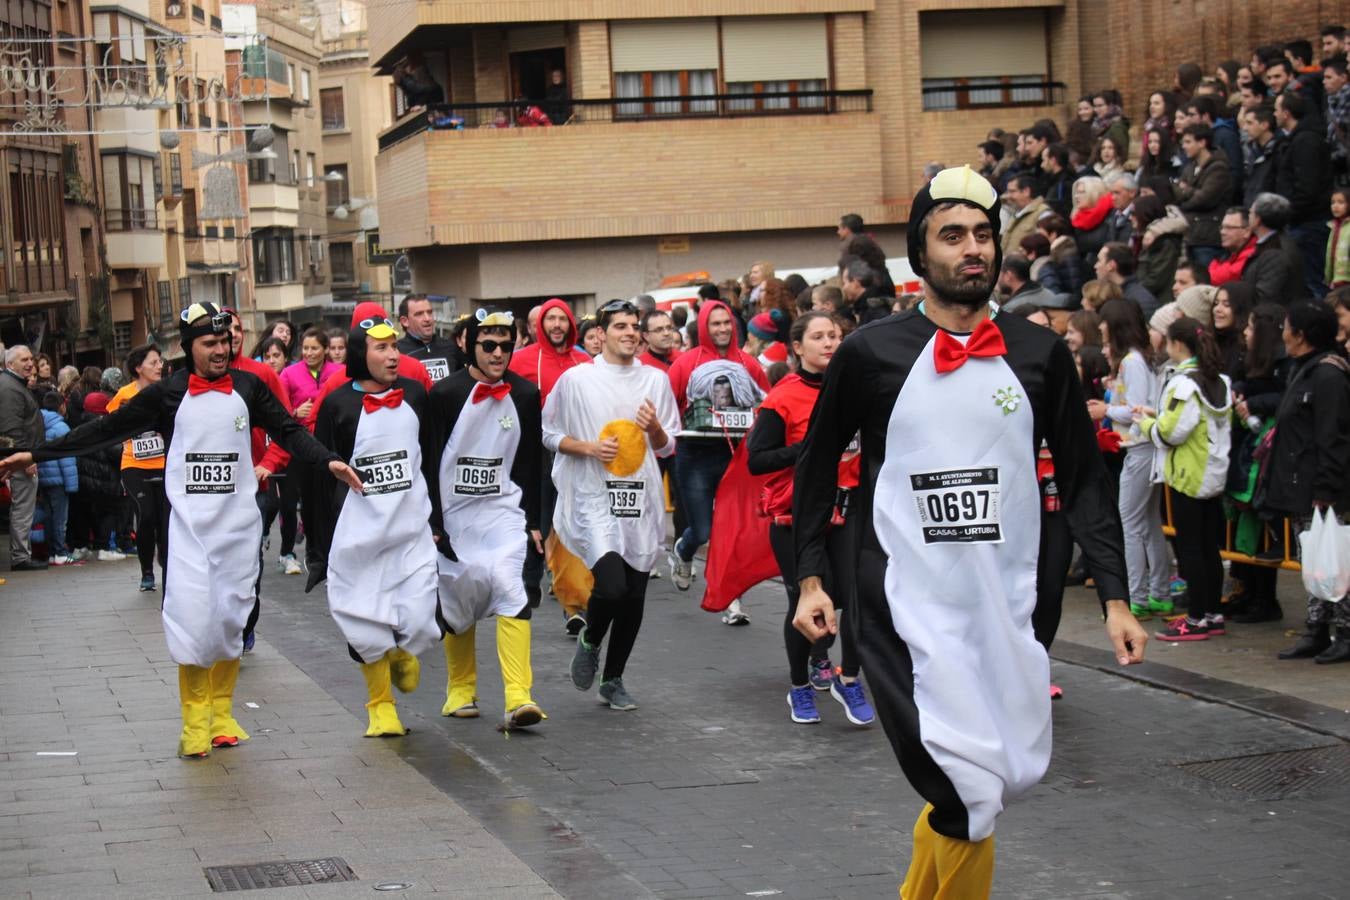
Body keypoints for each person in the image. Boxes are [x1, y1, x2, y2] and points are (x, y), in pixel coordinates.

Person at [791, 166, 1143, 899]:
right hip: (899, 605)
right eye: (952, 235)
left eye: (983, 234)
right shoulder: (870, 353)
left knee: (992, 783)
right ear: (922, 255)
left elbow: (1082, 480)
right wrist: (812, 579)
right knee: (965, 795)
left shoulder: (1039, 353)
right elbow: (817, 470)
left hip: (1010, 606)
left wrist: (1114, 596)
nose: (972, 248)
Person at [0, 303, 364, 758]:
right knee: (193, 621)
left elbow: (289, 431)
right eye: (208, 343)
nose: (219, 350)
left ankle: (222, 714)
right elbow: (106, 430)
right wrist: (36, 455)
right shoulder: (167, 393)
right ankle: (194, 722)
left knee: (233, 619)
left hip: (238, 527)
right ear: (188, 347)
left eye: (224, 342)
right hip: (189, 530)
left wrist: (327, 459)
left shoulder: (249, 387)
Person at [544, 300, 681, 710]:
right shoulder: (576, 380)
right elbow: (550, 434)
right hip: (592, 494)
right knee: (613, 586)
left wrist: (654, 427)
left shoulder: (655, 381)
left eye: (634, 326)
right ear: (600, 333)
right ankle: (590, 638)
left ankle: (613, 678)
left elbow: (669, 444)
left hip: (639, 496)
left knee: (635, 595)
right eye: (620, 325)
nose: (630, 332)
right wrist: (588, 447)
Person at [310, 314, 440, 737]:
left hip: (410, 527)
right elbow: (320, 469)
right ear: (358, 354)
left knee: (421, 617)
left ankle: (404, 651)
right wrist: (321, 542)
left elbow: (432, 458)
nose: (392, 356)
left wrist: (438, 519)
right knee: (364, 622)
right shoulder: (336, 404)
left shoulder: (418, 395)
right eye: (381, 348)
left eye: (394, 347)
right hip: (360, 531)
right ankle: (380, 706)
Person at [745, 311, 874, 726]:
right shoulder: (783, 397)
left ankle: (847, 677)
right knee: (807, 601)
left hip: (848, 506)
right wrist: (808, 450)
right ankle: (799, 686)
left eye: (835, 335)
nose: (829, 343)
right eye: (818, 336)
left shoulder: (854, 391)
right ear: (797, 347)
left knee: (856, 597)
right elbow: (757, 460)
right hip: (796, 514)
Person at [425, 309, 545, 729]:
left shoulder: (527, 396)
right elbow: (429, 459)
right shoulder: (442, 396)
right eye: (489, 346)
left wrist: (536, 521)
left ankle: (519, 697)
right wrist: (433, 523)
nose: (498, 354)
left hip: (503, 513)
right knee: (461, 594)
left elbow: (533, 461)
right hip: (456, 516)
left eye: (507, 346)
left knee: (512, 587)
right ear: (468, 345)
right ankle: (460, 689)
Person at [665, 300, 769, 621]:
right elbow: (668, 405)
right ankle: (683, 550)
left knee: (733, 530)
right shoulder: (685, 364)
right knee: (703, 530)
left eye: (727, 323)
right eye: (716, 324)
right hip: (695, 457)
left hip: (735, 457)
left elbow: (767, 403)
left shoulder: (748, 364)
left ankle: (732, 602)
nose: (723, 329)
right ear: (704, 327)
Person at [1136, 319, 1233, 640]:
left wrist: (1145, 423)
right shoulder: (1220, 380)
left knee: (1190, 548)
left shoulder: (1183, 384)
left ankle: (1195, 619)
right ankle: (1212, 614)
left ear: (1178, 343)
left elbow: (1170, 432)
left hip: (1187, 476)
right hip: (1213, 472)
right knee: (1210, 547)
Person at [1264, 303, 1350, 663]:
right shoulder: (1303, 370)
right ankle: (1316, 628)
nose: (1282, 333)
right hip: (1303, 484)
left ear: (1301, 335)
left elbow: (1334, 436)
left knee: (1337, 561)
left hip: (1323, 489)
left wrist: (1326, 490)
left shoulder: (1329, 376)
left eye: (1286, 327)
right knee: (1312, 559)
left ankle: (1344, 631)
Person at [1095, 299, 1173, 619]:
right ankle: (1158, 593)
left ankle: (1137, 595)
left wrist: (1106, 410)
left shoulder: (1132, 361)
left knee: (1130, 523)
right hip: (1145, 447)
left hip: (1139, 447)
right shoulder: (1141, 359)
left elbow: (1137, 408)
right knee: (1149, 523)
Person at [107, 344, 169, 592]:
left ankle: (167, 565)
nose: (159, 366)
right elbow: (109, 426)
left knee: (166, 521)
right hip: (134, 465)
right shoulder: (123, 395)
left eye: (160, 362)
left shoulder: (166, 392)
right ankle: (146, 572)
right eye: (154, 362)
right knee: (147, 516)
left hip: (165, 464)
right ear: (138, 368)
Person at [1274, 91, 1332, 299]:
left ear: (1287, 113)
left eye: (1277, 109)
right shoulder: (1296, 140)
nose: (1274, 114)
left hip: (1309, 223)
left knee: (1312, 281)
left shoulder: (1305, 141)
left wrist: (1290, 213)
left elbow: (1307, 187)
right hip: (1302, 221)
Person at [1, 346, 45, 570]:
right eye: (24, 360)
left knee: (23, 507)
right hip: (20, 460)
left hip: (21, 457)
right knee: (22, 508)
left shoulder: (15, 386)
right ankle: (21, 557)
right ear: (10, 364)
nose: (30, 363)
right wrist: (24, 459)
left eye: (31, 359)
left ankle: (22, 554)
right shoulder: (10, 388)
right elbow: (11, 428)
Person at [1174, 123, 1232, 269]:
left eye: (1188, 142)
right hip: (1190, 235)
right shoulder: (1190, 167)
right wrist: (1188, 192)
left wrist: (1186, 191)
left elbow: (1205, 199)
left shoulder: (1219, 168)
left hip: (1208, 237)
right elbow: (1176, 193)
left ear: (1202, 142)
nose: (1184, 147)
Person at [36, 392, 77, 566]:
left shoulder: (39, 424)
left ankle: (52, 552)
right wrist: (72, 485)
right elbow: (66, 458)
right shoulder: (61, 427)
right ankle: (60, 551)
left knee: (49, 516)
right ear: (61, 406)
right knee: (60, 518)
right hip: (59, 479)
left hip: (44, 477)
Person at [1244, 192, 1307, 306]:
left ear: (1258, 219)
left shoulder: (1276, 251)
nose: (1248, 215)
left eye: (1251, 213)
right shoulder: (1272, 244)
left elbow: (1264, 296)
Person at [397, 295, 459, 381]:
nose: (427, 318)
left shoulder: (451, 346)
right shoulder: (397, 352)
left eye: (429, 312)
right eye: (419, 314)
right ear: (405, 321)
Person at [1095, 242, 1160, 319]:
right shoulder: (1112, 294)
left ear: (1111, 265)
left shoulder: (1141, 301)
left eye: (1099, 261)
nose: (1095, 266)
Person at [1210, 206, 1257, 286]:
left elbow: (1221, 278)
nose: (1222, 232)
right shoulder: (1229, 252)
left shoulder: (1253, 253)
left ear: (1247, 232)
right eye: (1222, 227)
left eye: (1229, 228)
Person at [1327, 188, 1350, 290]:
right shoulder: (1334, 226)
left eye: (1341, 202)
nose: (1335, 206)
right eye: (1333, 202)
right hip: (1336, 280)